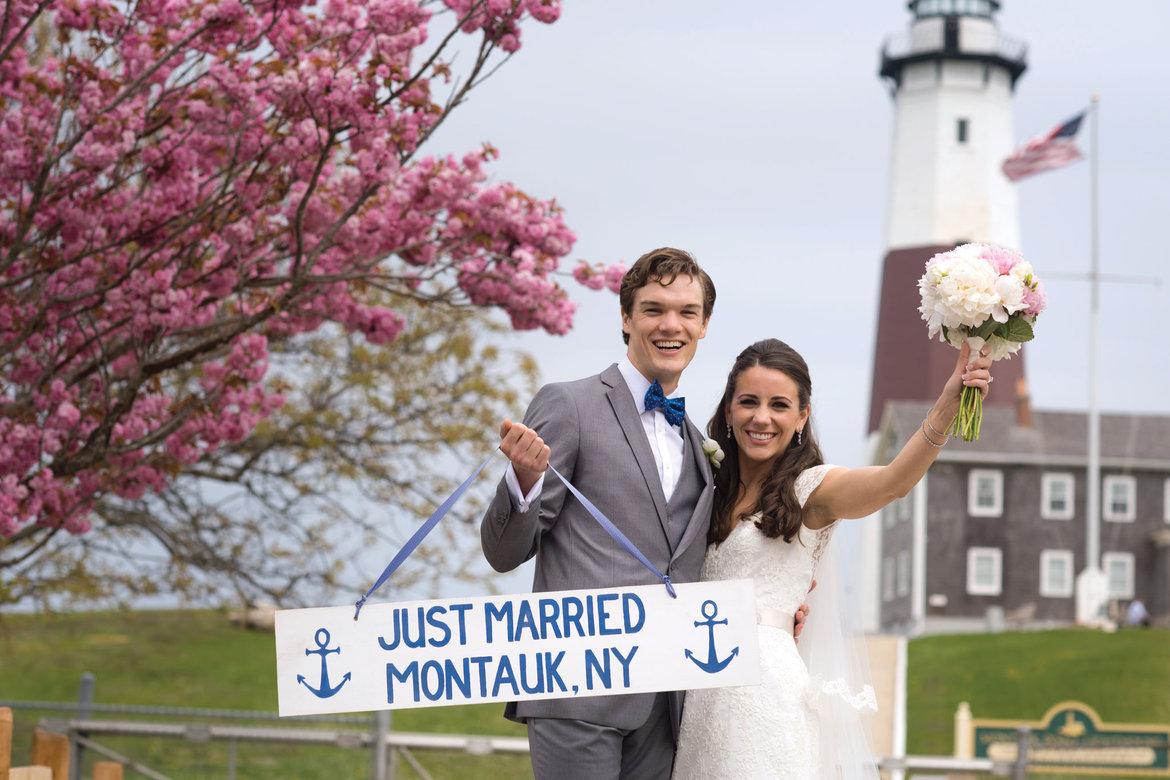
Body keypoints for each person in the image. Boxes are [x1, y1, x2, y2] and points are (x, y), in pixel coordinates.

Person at [481, 248, 806, 779]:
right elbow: (504, 552)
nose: (670, 325)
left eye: (687, 312)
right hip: (577, 691)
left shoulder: (702, 445)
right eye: (653, 309)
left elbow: (696, 559)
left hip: (669, 704)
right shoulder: (570, 404)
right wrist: (522, 481)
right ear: (627, 318)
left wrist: (771, 609)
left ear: (704, 327)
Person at [672, 337, 992, 780]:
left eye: (779, 405)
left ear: (802, 416)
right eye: (748, 402)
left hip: (764, 697)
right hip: (696, 698)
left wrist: (947, 405)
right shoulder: (705, 489)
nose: (761, 417)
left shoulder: (813, 491)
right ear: (729, 409)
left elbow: (892, 482)